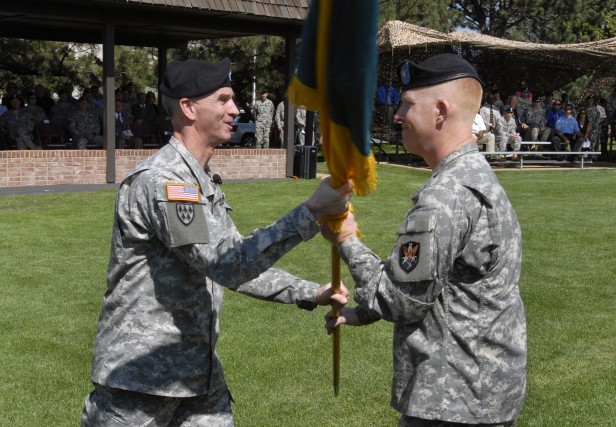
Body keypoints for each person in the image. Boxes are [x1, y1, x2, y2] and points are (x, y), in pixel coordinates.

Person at [80, 57, 352, 427]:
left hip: (195, 373)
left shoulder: (199, 180)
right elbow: (229, 264)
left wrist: (309, 292)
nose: (235, 109)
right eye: (223, 99)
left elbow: (236, 260)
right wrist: (312, 210)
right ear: (188, 108)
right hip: (141, 380)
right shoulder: (165, 182)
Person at [323, 53, 527, 427]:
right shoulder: (475, 175)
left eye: (407, 104)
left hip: (452, 401)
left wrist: (346, 239)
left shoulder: (446, 195)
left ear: (440, 112)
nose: (397, 114)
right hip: (482, 391)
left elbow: (400, 300)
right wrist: (359, 315)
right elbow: (442, 283)